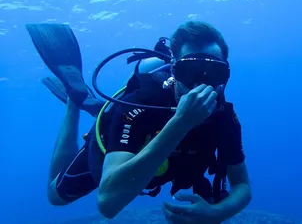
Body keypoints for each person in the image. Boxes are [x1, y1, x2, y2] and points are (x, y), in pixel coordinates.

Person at [26, 21, 252, 223]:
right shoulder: (139, 105)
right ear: (174, 69)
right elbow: (108, 204)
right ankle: (74, 102)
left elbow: (241, 185)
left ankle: (89, 104)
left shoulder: (223, 117)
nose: (200, 83)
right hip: (124, 129)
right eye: (189, 70)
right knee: (55, 197)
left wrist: (218, 213)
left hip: (157, 161)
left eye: (214, 72)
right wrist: (181, 123)